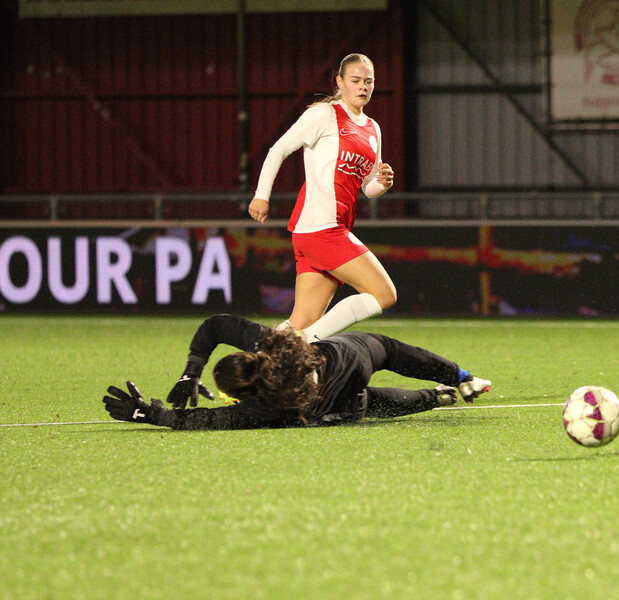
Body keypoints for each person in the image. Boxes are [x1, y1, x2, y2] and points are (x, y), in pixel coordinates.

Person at [101, 314, 492, 430]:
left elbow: (202, 419)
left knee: (364, 404)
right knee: (389, 350)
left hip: (336, 403)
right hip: (347, 354)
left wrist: (147, 412)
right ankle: (462, 378)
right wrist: (191, 370)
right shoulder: (266, 342)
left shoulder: (262, 407)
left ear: (242, 393)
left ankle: (436, 397)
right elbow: (216, 325)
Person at [248, 53, 396, 342]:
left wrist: (383, 184)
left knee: (301, 320)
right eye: (355, 81)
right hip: (321, 229)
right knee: (384, 294)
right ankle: (309, 341)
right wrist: (261, 196)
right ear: (340, 82)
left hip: (320, 231)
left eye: (369, 81)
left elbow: (367, 187)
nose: (363, 87)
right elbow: (278, 149)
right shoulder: (324, 114)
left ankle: (247, 373)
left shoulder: (373, 129)